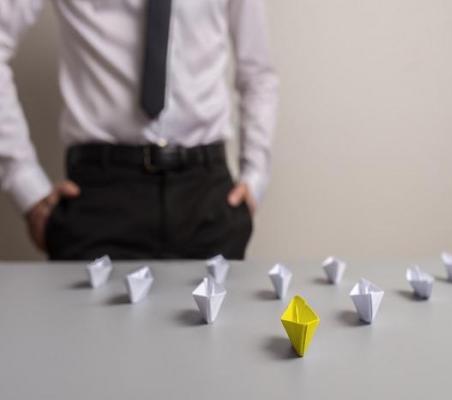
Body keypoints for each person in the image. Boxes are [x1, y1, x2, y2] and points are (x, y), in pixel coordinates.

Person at [0, 0, 278, 260]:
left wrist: (255, 177)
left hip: (207, 194)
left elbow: (257, 73)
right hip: (100, 195)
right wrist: (26, 183)